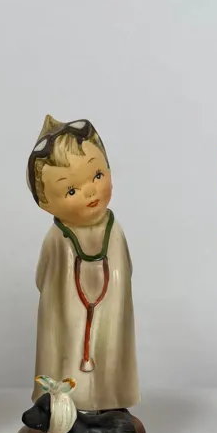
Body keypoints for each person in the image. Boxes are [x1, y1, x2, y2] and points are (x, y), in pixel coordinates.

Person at [26, 116, 139, 415]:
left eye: (97, 175)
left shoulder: (114, 231)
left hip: (111, 311)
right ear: (45, 203)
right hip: (67, 314)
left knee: (110, 350)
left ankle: (109, 403)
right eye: (71, 191)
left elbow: (125, 270)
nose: (90, 191)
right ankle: (67, 409)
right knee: (68, 350)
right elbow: (43, 279)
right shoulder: (57, 238)